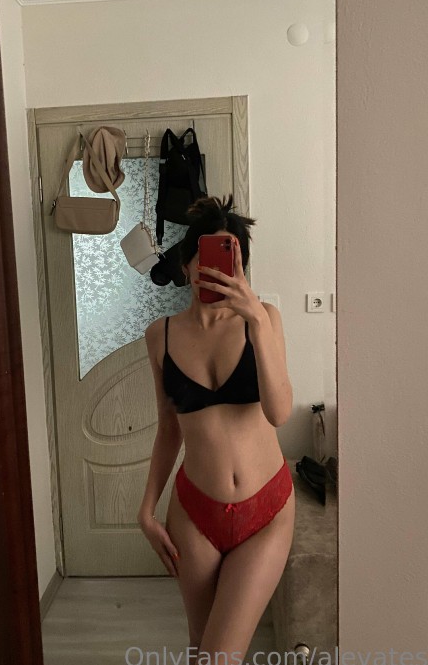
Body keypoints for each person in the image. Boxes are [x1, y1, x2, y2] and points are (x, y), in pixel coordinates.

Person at [138, 194, 295, 664]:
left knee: (219, 656)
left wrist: (256, 319)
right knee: (200, 646)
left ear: (241, 267)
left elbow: (279, 412)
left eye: (230, 260)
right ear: (188, 265)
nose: (217, 271)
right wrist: (146, 510)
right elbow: (169, 429)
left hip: (266, 510)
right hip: (194, 514)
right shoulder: (161, 335)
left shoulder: (264, 320)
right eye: (207, 258)